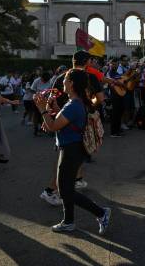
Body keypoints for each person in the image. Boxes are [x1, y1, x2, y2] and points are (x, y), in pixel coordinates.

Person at [34, 68, 111, 233]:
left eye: (65, 80)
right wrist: (51, 109)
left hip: (71, 150)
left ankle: (101, 212)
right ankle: (68, 221)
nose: (62, 82)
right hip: (72, 148)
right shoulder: (75, 103)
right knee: (66, 188)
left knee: (65, 189)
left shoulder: (73, 105)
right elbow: (59, 122)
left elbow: (53, 126)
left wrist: (42, 109)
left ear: (72, 84)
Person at [40, 51, 105, 206]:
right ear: (87, 62)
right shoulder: (88, 77)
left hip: (61, 117)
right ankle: (51, 190)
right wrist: (88, 105)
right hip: (77, 119)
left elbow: (51, 99)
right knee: (68, 157)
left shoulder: (61, 77)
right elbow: (100, 98)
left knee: (73, 154)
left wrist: (48, 115)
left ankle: (76, 180)